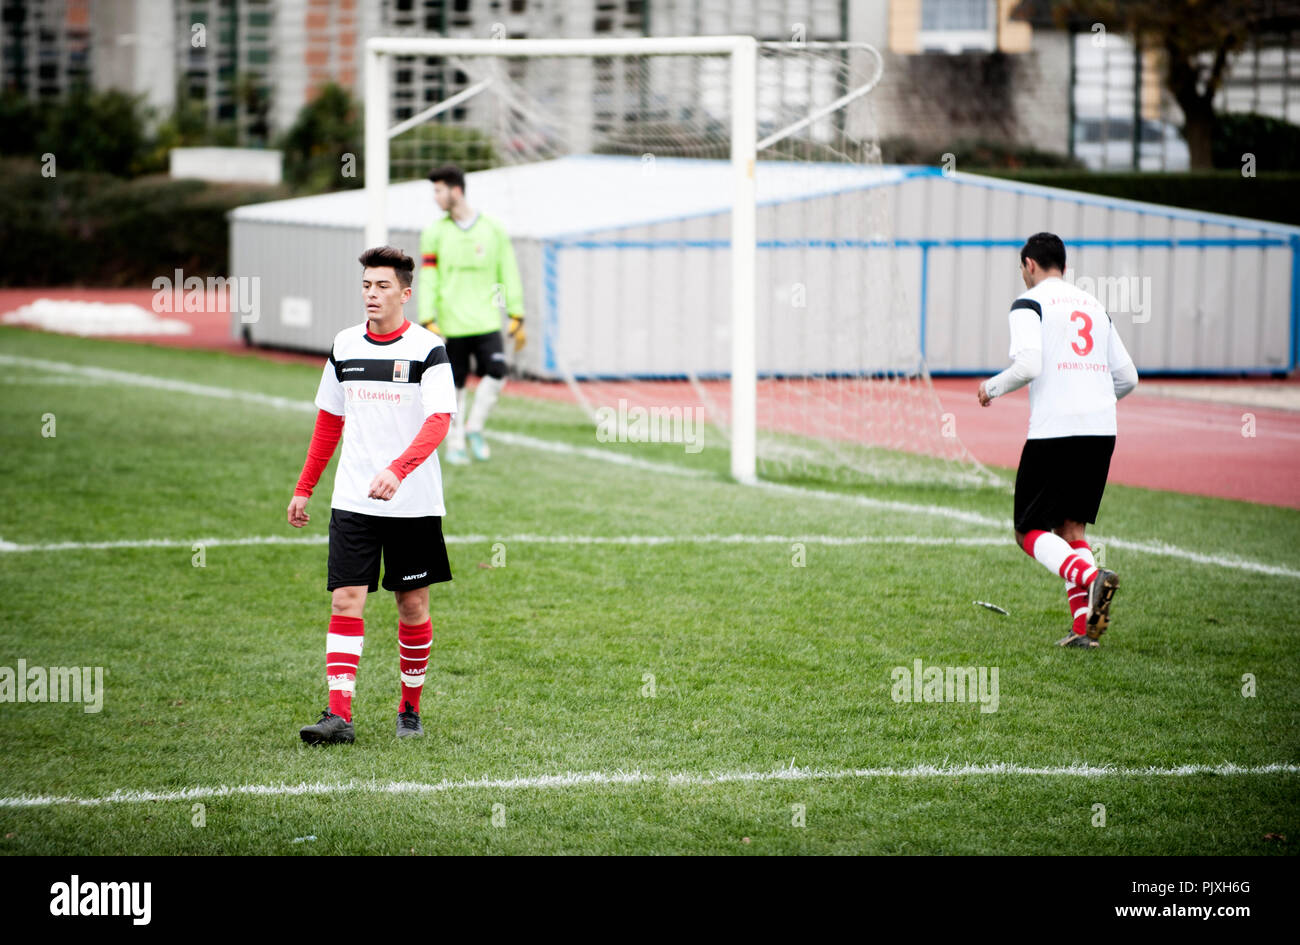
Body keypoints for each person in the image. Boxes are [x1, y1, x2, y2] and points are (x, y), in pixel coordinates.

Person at [288, 246, 457, 743]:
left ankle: (410, 710)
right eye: (366, 285)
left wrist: (399, 470)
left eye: (382, 286)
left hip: (413, 502)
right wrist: (304, 488)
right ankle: (339, 715)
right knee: (345, 600)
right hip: (353, 501)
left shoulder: (429, 349)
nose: (372, 294)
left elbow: (438, 420)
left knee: (412, 606)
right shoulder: (344, 345)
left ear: (405, 293)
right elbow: (328, 423)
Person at [977, 232, 1139, 649]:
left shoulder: (1028, 303)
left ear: (1029, 264)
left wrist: (991, 388)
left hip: (1056, 431)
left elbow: (1029, 364)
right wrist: (1096, 403)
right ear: (1063, 267)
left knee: (1026, 529)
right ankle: (1083, 631)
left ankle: (1092, 577)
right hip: (1101, 430)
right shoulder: (1094, 305)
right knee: (1070, 527)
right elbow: (1128, 377)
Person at [418, 163, 525, 465]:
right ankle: (455, 443)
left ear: (456, 190)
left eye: (439, 190)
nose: (435, 197)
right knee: (456, 386)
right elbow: (429, 278)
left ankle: (474, 428)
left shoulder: (493, 229)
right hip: (451, 324)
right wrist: (428, 317)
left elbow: (509, 271)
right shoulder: (434, 233)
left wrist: (517, 312)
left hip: (487, 320)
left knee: (498, 373)